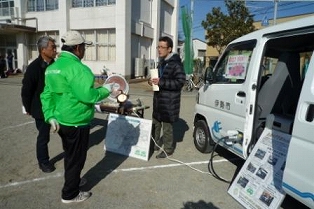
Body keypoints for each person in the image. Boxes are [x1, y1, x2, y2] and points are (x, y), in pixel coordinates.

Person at [40, 30, 113, 203]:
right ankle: (70, 193)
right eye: (84, 47)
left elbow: (46, 95)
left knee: (70, 155)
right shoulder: (79, 68)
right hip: (77, 121)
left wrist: (50, 116)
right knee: (76, 158)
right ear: (78, 48)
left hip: (60, 121)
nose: (84, 51)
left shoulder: (52, 68)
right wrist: (107, 89)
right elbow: (88, 96)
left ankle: (74, 180)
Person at [21, 36, 57, 173]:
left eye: (55, 47)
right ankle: (43, 162)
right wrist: (28, 107)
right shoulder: (34, 67)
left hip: (56, 107)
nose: (55, 50)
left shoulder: (55, 65)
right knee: (44, 137)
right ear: (43, 50)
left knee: (65, 133)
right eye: (52, 47)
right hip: (41, 109)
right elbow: (26, 90)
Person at [149, 36, 186, 159]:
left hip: (169, 103)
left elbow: (180, 82)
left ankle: (168, 150)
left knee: (167, 128)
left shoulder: (176, 64)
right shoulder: (161, 62)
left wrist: (161, 82)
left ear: (169, 49)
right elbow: (159, 80)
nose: (159, 49)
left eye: (162, 47)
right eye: (158, 47)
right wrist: (152, 82)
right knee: (155, 124)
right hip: (158, 100)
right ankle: (154, 145)